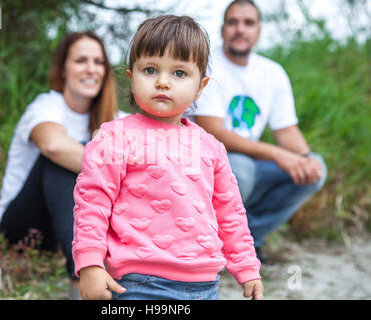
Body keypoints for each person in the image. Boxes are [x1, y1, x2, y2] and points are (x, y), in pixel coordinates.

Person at [72, 15, 263, 300]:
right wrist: (90, 264)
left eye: (179, 73)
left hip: (205, 285)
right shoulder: (115, 137)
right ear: (131, 77)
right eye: (150, 70)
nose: (162, 82)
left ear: (200, 86)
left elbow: (230, 213)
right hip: (137, 283)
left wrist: (247, 266)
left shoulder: (211, 147)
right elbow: (92, 202)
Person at [185, 0, 327, 263]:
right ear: (222, 29)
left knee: (314, 169)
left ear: (259, 31)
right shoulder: (207, 64)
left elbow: (287, 131)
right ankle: (209, 244)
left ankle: (249, 241)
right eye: (233, 22)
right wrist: (277, 154)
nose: (241, 29)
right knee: (240, 169)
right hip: (203, 164)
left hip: (247, 163)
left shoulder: (272, 72)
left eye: (248, 23)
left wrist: (304, 158)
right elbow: (214, 132)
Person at [0, 31, 128, 298]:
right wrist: (120, 172)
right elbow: (53, 145)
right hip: (24, 226)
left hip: (63, 230)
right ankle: (81, 279)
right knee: (62, 160)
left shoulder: (115, 119)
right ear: (63, 69)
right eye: (80, 60)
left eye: (98, 62)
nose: (91, 69)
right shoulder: (46, 106)